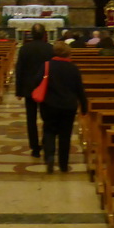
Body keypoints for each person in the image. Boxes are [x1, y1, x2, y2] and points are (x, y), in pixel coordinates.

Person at [32, 41, 87, 173]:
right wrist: (84, 105)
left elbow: (36, 81)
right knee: (65, 135)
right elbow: (80, 89)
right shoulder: (73, 68)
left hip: (49, 104)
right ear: (68, 53)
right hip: (68, 106)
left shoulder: (47, 66)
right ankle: (63, 164)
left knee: (49, 130)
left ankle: (50, 156)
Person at [15, 23, 54, 158]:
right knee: (48, 117)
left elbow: (19, 70)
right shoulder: (50, 48)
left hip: (29, 88)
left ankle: (34, 148)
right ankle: (46, 142)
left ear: (31, 34)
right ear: (45, 34)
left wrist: (18, 91)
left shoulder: (25, 49)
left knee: (31, 119)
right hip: (46, 87)